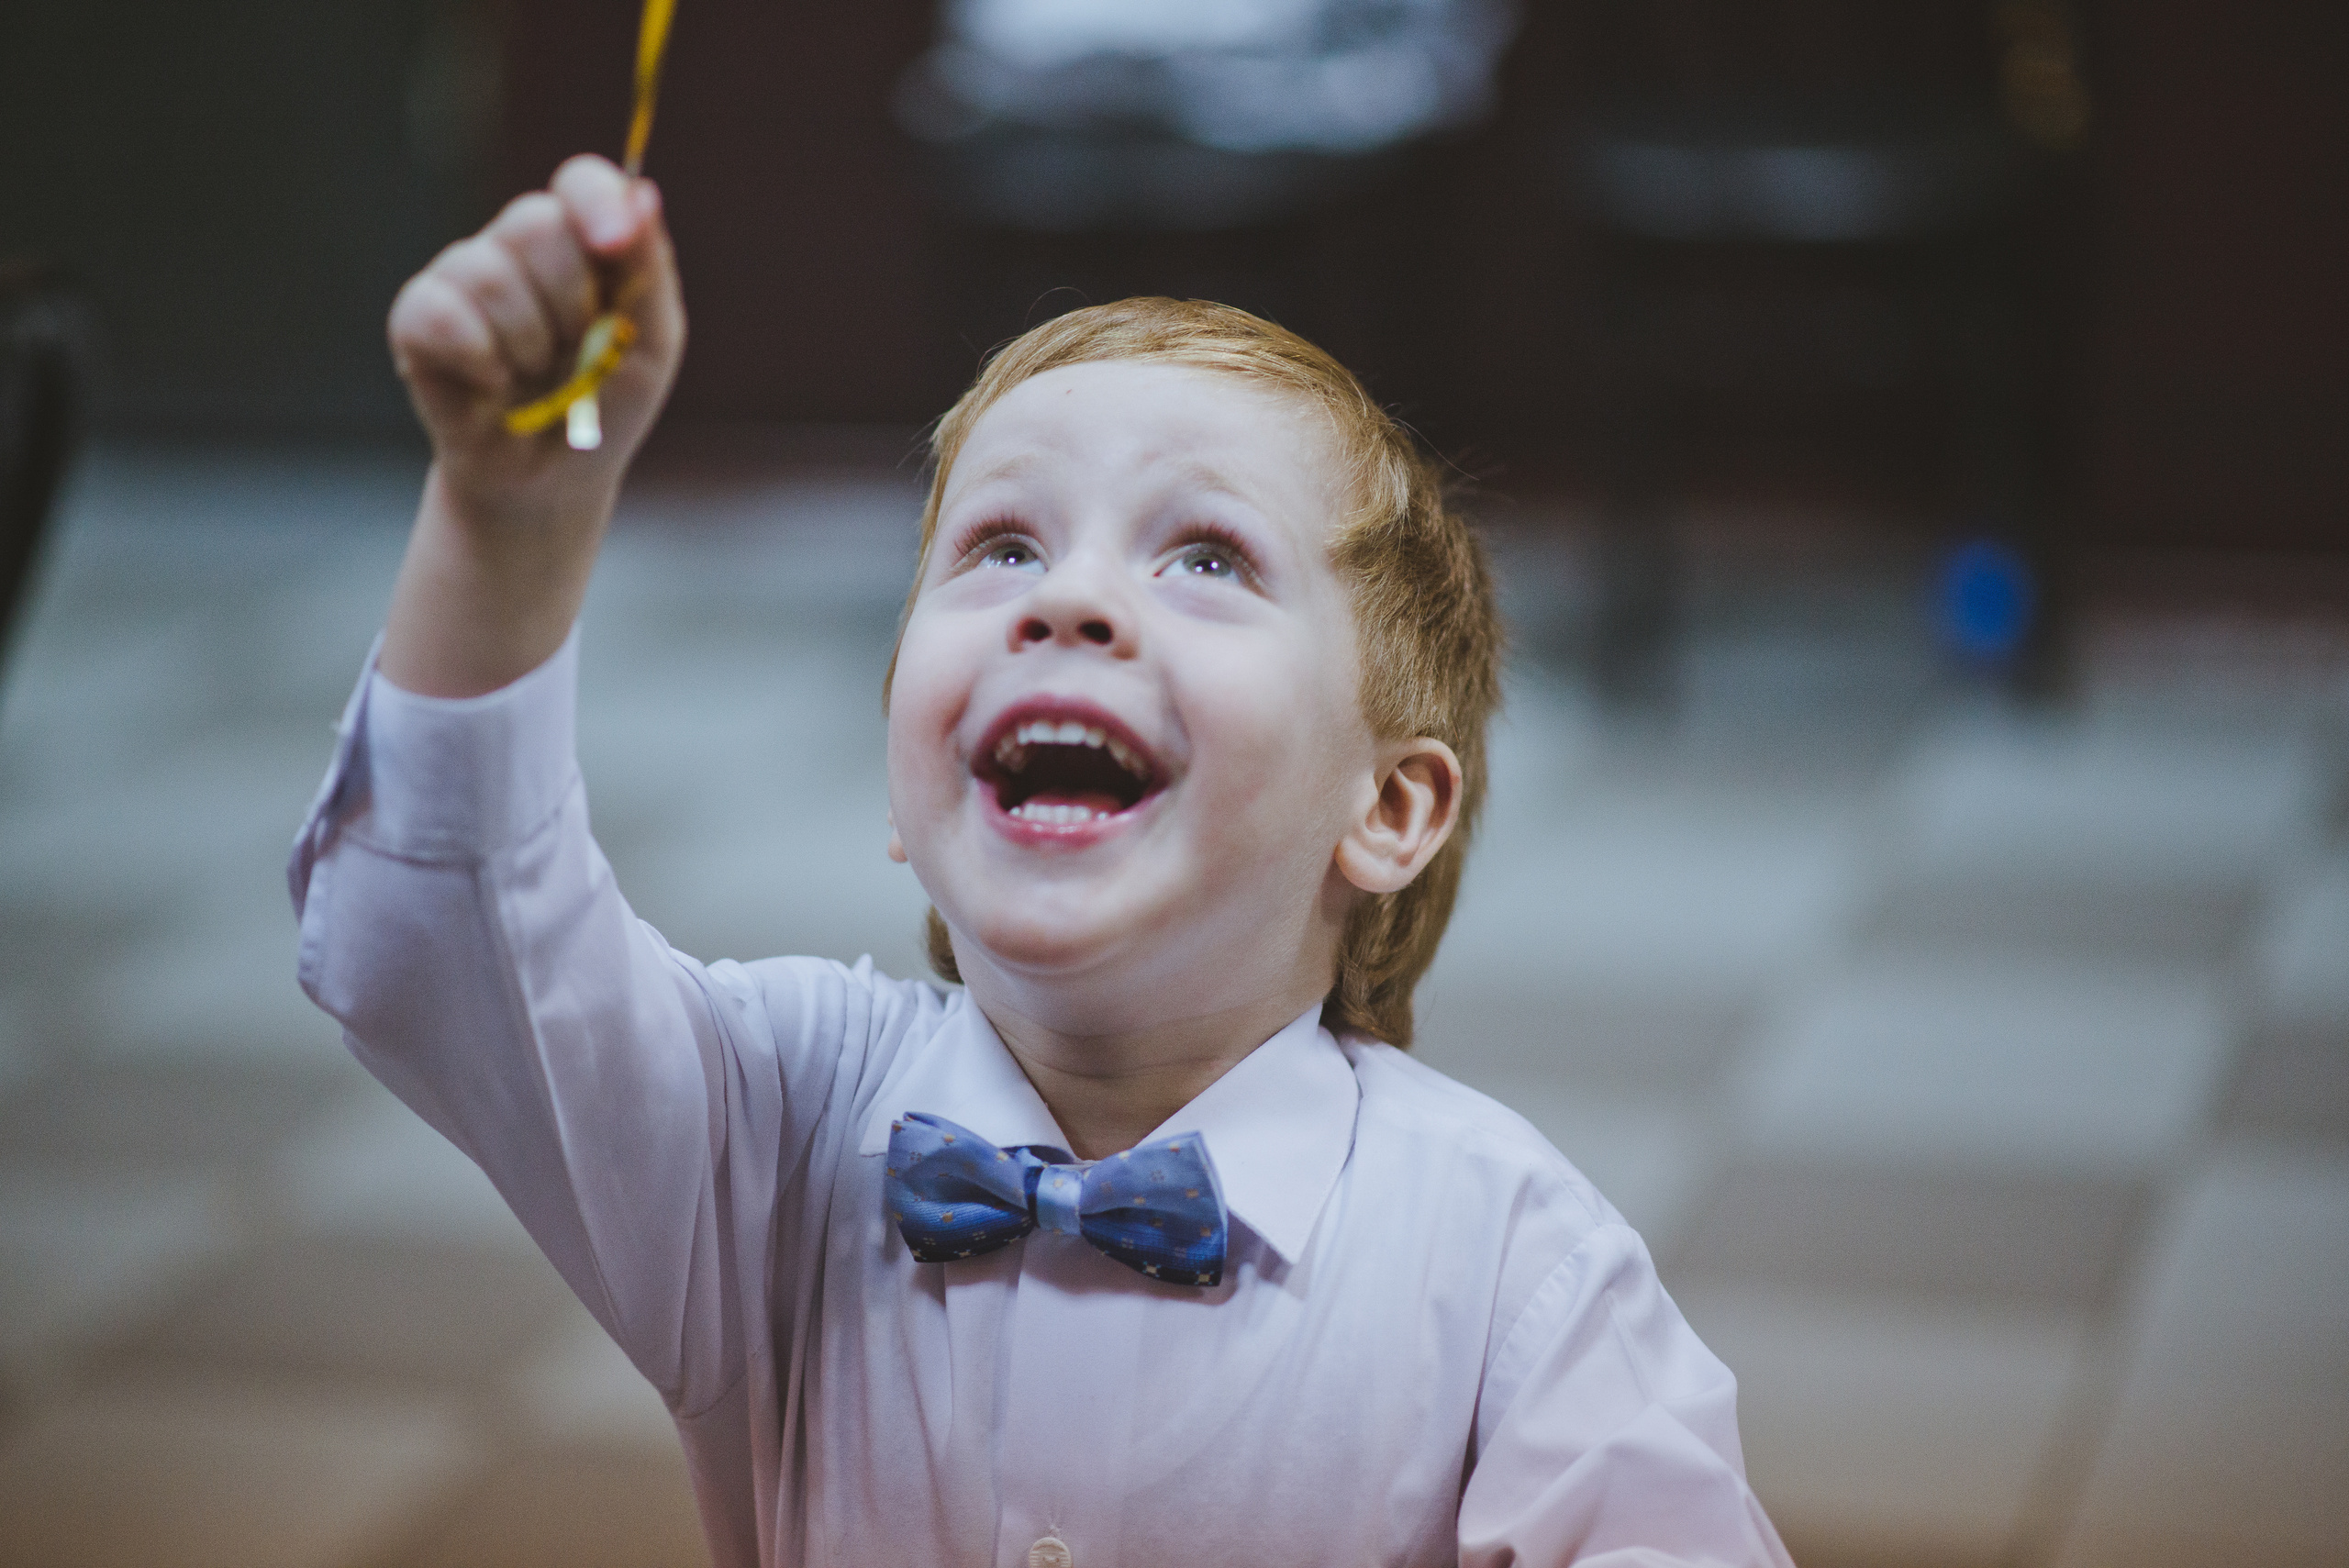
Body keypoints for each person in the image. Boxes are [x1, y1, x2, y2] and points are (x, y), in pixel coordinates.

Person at [289, 152, 1794, 1568]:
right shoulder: (780, 1126)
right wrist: (507, 524)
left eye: (1205, 554)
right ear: (905, 786)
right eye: (1002, 545)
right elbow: (434, 938)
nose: (1068, 598)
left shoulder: (1515, 1267)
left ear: (1389, 808)